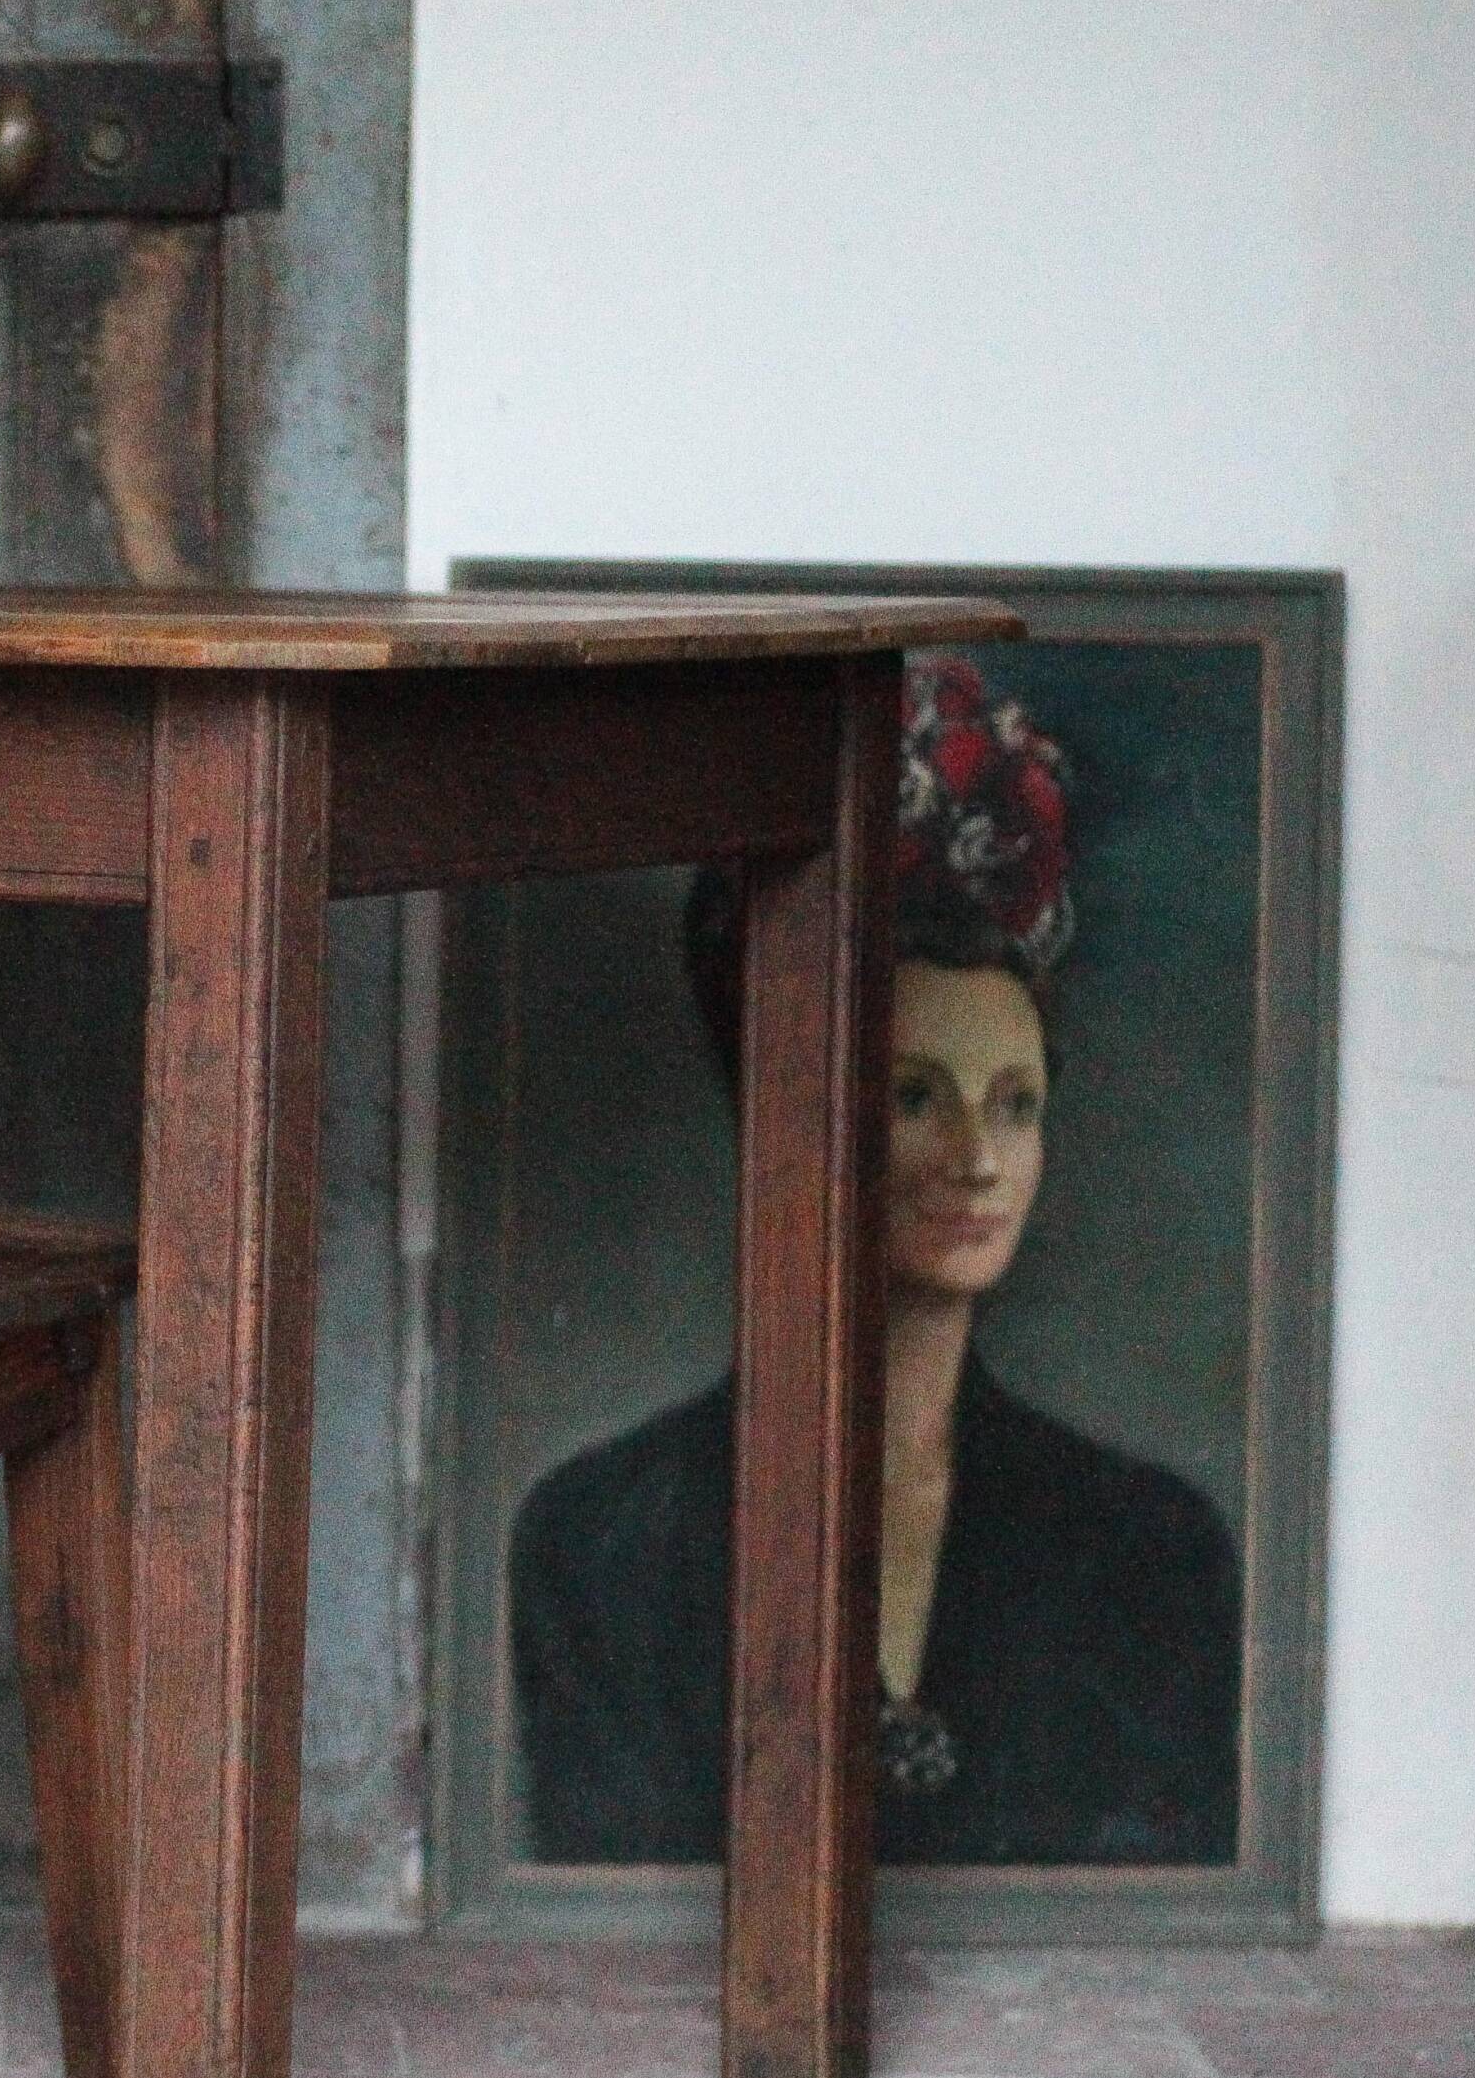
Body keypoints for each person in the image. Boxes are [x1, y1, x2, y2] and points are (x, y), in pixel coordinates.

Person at [507, 661, 1240, 1867]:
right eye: (913, 1096)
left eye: (1015, 1105)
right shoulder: (597, 1537)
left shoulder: (1154, 1552)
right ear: (797, 1114)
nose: (976, 1161)